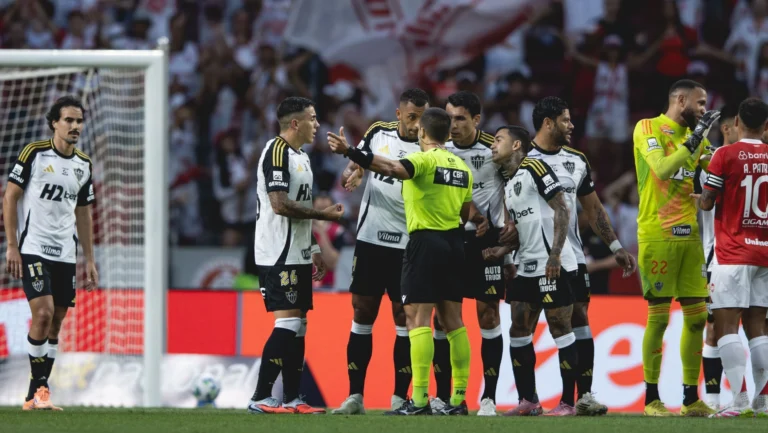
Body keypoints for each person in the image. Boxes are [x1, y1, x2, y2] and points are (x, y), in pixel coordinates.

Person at [329, 107, 484, 416]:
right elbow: (467, 213)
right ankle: (458, 400)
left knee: (416, 319)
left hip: (424, 243)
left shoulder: (422, 160)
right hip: (455, 244)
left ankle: (421, 398)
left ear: (424, 134)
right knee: (454, 322)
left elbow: (391, 168)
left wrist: (351, 153)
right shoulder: (462, 167)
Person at [525, 96, 637, 415]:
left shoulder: (577, 160)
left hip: (571, 259)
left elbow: (594, 208)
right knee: (527, 325)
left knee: (578, 321)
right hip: (531, 259)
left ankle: (580, 398)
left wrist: (615, 247)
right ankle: (529, 398)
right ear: (548, 123)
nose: (572, 125)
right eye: (566, 120)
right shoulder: (522, 158)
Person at [331, 89, 429, 415]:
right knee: (362, 312)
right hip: (372, 238)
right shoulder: (377, 132)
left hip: (408, 242)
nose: (417, 125)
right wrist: (354, 172)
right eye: (412, 117)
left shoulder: (429, 147)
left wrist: (361, 164)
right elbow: (358, 164)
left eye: (422, 118)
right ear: (399, 114)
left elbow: (385, 166)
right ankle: (354, 396)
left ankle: (400, 397)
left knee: (403, 317)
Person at [247, 97, 344, 415]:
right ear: (295, 123)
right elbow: (279, 205)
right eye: (313, 119)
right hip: (278, 252)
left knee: (299, 324)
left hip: (298, 252)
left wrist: (314, 246)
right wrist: (324, 216)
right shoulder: (276, 152)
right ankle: (261, 396)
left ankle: (292, 398)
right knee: (288, 322)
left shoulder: (302, 157)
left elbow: (301, 210)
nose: (317, 125)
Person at [3, 96, 98, 410]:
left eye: (78, 121)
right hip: (33, 249)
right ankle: (40, 390)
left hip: (65, 255)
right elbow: (10, 197)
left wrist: (89, 258)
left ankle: (36, 394)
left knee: (55, 324)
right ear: (54, 123)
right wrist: (12, 246)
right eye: (68, 120)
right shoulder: (34, 153)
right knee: (41, 315)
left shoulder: (84, 165)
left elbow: (83, 213)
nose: (74, 126)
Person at [632, 79, 720, 416]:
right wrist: (696, 139)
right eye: (699, 103)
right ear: (679, 99)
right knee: (658, 319)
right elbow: (663, 169)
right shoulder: (648, 128)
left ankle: (689, 398)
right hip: (657, 234)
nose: (702, 110)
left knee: (697, 319)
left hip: (691, 239)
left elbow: (720, 170)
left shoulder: (698, 140)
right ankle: (651, 398)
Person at [485, 125, 579, 416]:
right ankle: (528, 400)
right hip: (525, 266)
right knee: (519, 330)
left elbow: (562, 209)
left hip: (552, 264)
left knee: (560, 328)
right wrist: (502, 252)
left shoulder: (535, 166)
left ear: (516, 146)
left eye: (498, 140)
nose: (493, 145)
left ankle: (567, 403)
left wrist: (554, 255)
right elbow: (520, 231)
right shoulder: (509, 181)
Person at [437, 91, 505, 416]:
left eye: (460, 118)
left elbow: (516, 182)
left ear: (476, 120)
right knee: (444, 319)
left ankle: (489, 397)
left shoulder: (495, 148)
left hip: (485, 242)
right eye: (449, 117)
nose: (453, 125)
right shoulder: (438, 146)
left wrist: (503, 224)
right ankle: (446, 397)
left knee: (488, 314)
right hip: (447, 240)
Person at [699, 97, 768, 417]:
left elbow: (708, 203)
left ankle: (738, 403)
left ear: (737, 123)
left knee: (727, 325)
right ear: (766, 126)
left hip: (731, 251)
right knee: (759, 326)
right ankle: (764, 401)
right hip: (764, 253)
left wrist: (704, 198)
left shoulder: (724, 155)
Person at [695, 104, 739, 411]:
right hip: (717, 255)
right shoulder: (709, 161)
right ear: (729, 127)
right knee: (716, 326)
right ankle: (712, 400)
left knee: (755, 324)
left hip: (752, 254)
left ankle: (749, 397)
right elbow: (706, 199)